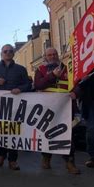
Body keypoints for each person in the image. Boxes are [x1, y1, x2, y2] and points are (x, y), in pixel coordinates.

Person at [34, 47, 80, 175]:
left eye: (54, 54)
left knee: (68, 136)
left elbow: (77, 84)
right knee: (47, 134)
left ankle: (70, 162)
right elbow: (38, 85)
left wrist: (75, 93)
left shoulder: (68, 68)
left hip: (66, 108)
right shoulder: (40, 70)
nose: (53, 56)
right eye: (50, 55)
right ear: (45, 57)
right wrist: (52, 76)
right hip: (48, 109)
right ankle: (46, 157)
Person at [0, 44, 31, 170]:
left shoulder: (21, 69)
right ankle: (1, 154)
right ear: (1, 53)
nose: (8, 53)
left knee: (14, 132)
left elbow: (28, 84)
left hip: (16, 105)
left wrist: (20, 89)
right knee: (0, 131)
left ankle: (12, 159)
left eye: (10, 51)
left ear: (14, 53)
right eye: (5, 51)